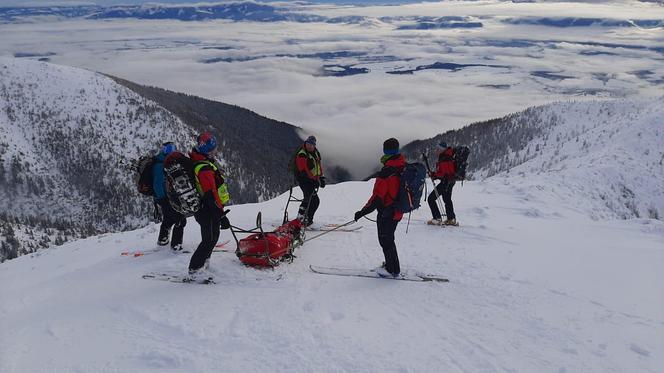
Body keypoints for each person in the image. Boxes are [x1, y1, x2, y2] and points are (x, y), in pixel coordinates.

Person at [353, 138, 405, 277]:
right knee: (389, 239)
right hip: (398, 210)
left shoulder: (386, 171)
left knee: (385, 240)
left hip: (387, 211)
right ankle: (392, 266)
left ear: (385, 150)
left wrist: (362, 212)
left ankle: (392, 270)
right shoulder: (402, 164)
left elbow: (377, 197)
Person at [188, 132, 230, 278]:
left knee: (213, 237)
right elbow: (210, 195)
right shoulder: (204, 168)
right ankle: (195, 269)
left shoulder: (202, 162)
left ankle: (204, 262)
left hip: (206, 209)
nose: (216, 152)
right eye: (213, 150)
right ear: (206, 151)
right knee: (209, 240)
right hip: (207, 210)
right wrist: (221, 214)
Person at [153, 142, 187, 251]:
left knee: (168, 219)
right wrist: (164, 199)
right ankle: (176, 246)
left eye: (172, 148)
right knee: (180, 220)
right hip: (165, 198)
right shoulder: (160, 165)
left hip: (167, 197)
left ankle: (162, 240)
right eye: (168, 149)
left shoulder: (166, 162)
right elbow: (158, 183)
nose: (171, 151)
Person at [294, 135, 325, 227]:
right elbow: (303, 171)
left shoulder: (316, 153)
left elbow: (318, 167)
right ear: (306, 143)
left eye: (311, 144)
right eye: (308, 144)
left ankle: (307, 219)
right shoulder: (302, 154)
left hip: (312, 181)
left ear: (314, 145)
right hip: (304, 180)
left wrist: (321, 177)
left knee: (314, 200)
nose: (309, 146)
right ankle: (301, 219)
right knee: (309, 198)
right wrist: (313, 180)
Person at [427, 141, 458, 226]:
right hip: (449, 182)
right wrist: (435, 175)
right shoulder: (447, 156)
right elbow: (444, 173)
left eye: (438, 149)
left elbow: (445, 173)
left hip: (446, 182)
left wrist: (434, 174)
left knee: (431, 198)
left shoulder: (446, 158)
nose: (436, 150)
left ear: (442, 149)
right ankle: (451, 219)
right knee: (447, 200)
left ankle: (437, 218)